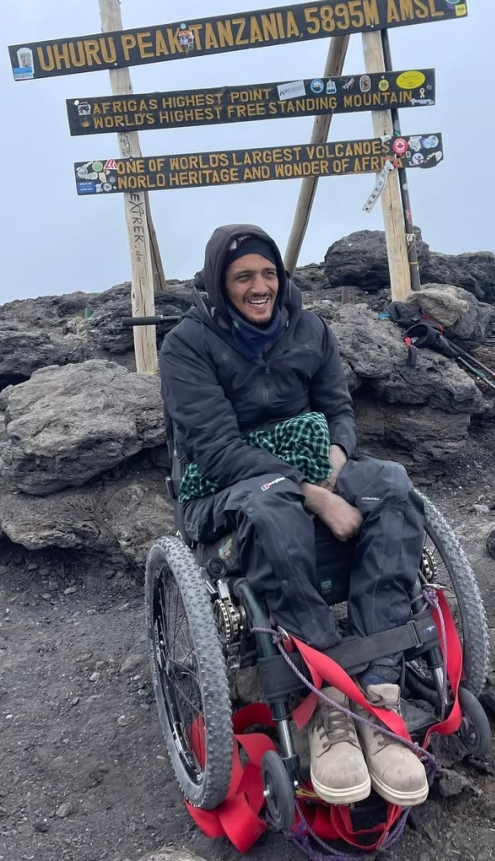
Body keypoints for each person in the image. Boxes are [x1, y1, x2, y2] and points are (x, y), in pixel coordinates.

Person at [160, 224, 429, 810]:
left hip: (312, 467)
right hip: (226, 484)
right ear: (219, 283)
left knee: (391, 485)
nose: (259, 287)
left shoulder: (310, 329)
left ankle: (378, 687)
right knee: (272, 506)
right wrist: (314, 494)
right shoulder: (187, 346)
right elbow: (217, 451)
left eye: (268, 274)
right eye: (243, 277)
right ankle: (325, 700)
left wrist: (334, 464)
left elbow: (338, 410)